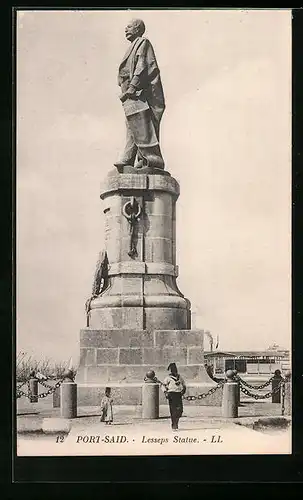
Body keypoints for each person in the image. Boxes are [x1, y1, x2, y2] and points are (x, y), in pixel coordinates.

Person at [115, 18, 166, 171]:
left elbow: (142, 66)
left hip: (142, 95)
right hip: (133, 95)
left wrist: (132, 86)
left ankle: (149, 160)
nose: (126, 29)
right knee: (132, 124)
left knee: (142, 124)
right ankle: (130, 158)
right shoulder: (133, 46)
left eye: (129, 27)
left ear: (138, 29)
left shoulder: (143, 43)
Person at [162, 363, 186, 431]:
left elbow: (183, 384)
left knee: (180, 410)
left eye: (175, 370)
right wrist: (165, 392)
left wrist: (184, 389)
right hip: (171, 394)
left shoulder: (179, 377)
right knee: (173, 410)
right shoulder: (168, 378)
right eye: (173, 370)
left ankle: (176, 423)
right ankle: (174, 425)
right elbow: (163, 385)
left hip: (178, 394)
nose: (174, 372)